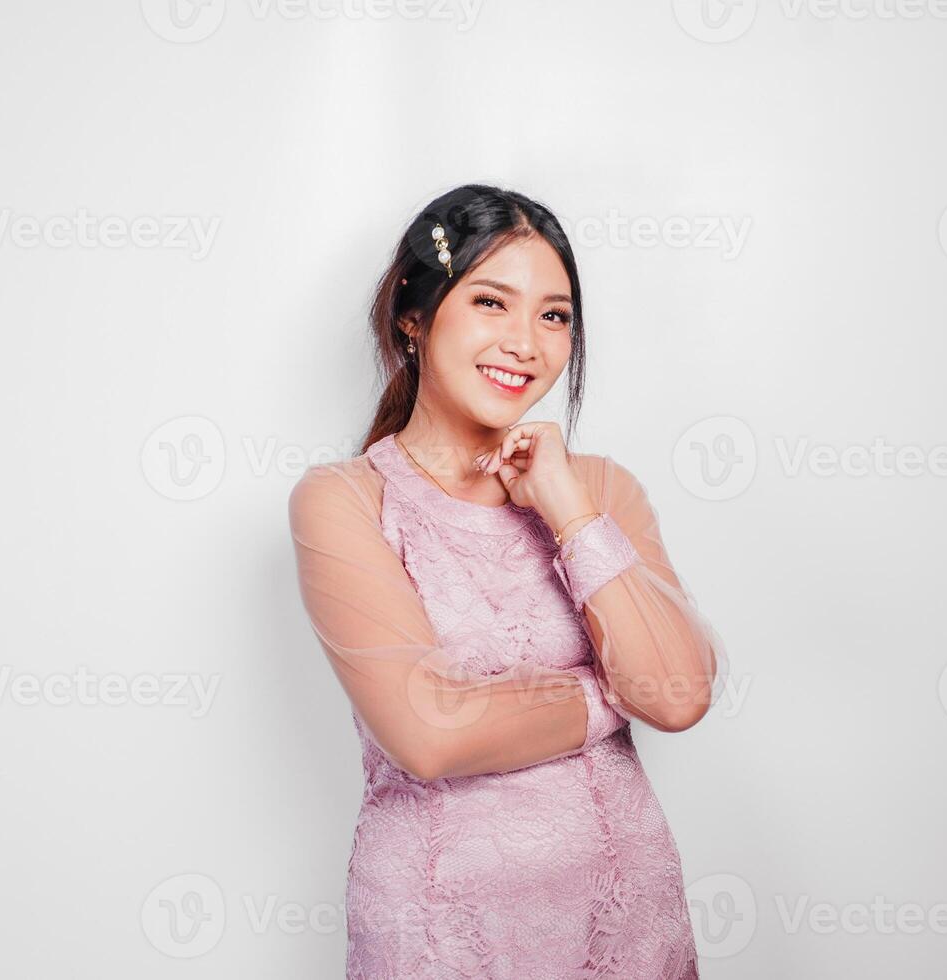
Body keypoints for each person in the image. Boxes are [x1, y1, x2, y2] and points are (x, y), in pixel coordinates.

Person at [287, 183, 729, 978]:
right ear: (413, 318)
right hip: (441, 937)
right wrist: (608, 692)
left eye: (554, 315)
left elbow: (678, 695)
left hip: (627, 924)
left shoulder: (602, 488)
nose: (526, 342)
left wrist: (565, 505)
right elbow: (430, 734)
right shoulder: (347, 500)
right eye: (492, 301)